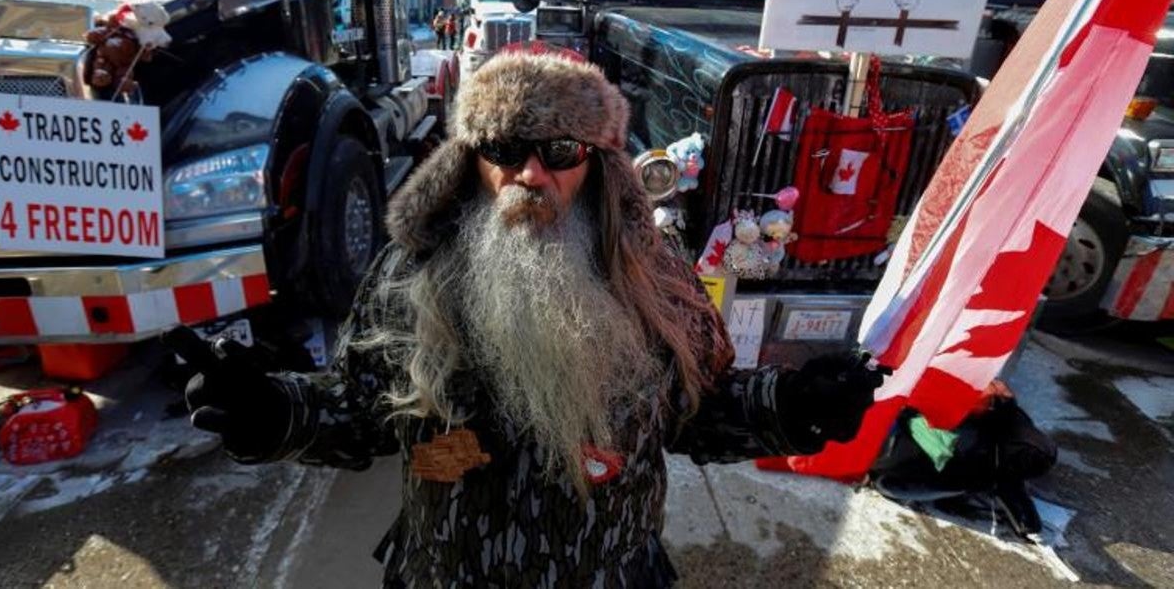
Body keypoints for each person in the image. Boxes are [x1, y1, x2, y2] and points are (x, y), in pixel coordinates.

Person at [166, 53, 885, 587]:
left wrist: (790, 404)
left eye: (560, 152)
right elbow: (358, 414)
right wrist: (271, 410)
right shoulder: (407, 277)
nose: (531, 175)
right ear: (471, 162)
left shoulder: (656, 280)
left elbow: (700, 406)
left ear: (597, 164)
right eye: (507, 150)